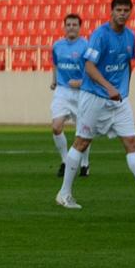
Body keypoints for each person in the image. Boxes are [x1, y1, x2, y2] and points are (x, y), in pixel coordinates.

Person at [56, 0, 135, 209]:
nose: (122, 14)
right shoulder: (100, 35)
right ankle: (64, 194)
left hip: (119, 101)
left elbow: (127, 63)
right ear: (112, 11)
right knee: (82, 142)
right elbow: (89, 67)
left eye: (126, 10)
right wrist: (109, 87)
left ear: (130, 12)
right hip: (94, 97)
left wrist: (124, 89)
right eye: (119, 10)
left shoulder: (130, 36)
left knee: (132, 142)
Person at [50, 13, 90, 177]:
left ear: (80, 27)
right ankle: (65, 161)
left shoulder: (86, 46)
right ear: (64, 27)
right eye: (68, 25)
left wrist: (82, 82)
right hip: (62, 91)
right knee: (56, 127)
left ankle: (85, 163)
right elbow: (55, 64)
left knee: (83, 131)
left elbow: (93, 68)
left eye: (74, 25)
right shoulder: (57, 46)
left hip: (82, 92)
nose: (71, 28)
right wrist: (54, 80)